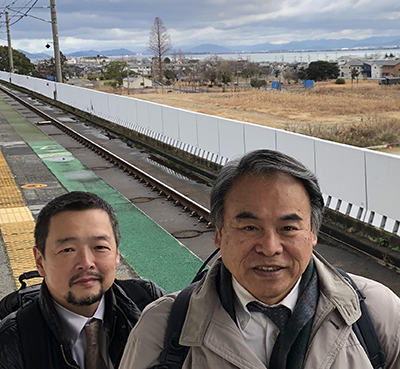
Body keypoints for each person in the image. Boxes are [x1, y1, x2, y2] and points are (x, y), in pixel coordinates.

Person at [120, 149, 400, 369]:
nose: (269, 247)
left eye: (288, 228)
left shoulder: (376, 313)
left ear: (313, 233)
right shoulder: (161, 327)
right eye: (249, 227)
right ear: (218, 233)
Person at [0, 191, 165, 369]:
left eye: (100, 247)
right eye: (68, 250)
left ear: (117, 255)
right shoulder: (11, 342)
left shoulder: (150, 303)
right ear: (40, 261)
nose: (86, 263)